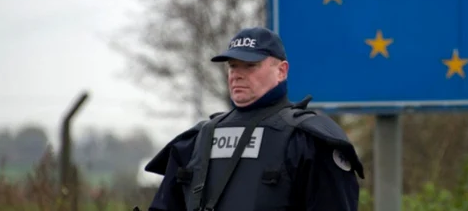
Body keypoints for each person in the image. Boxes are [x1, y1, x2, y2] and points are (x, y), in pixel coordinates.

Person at [142, 26, 365, 211]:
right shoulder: (197, 140)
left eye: (250, 66)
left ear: (282, 71)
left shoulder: (308, 140)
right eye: (233, 66)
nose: (237, 74)